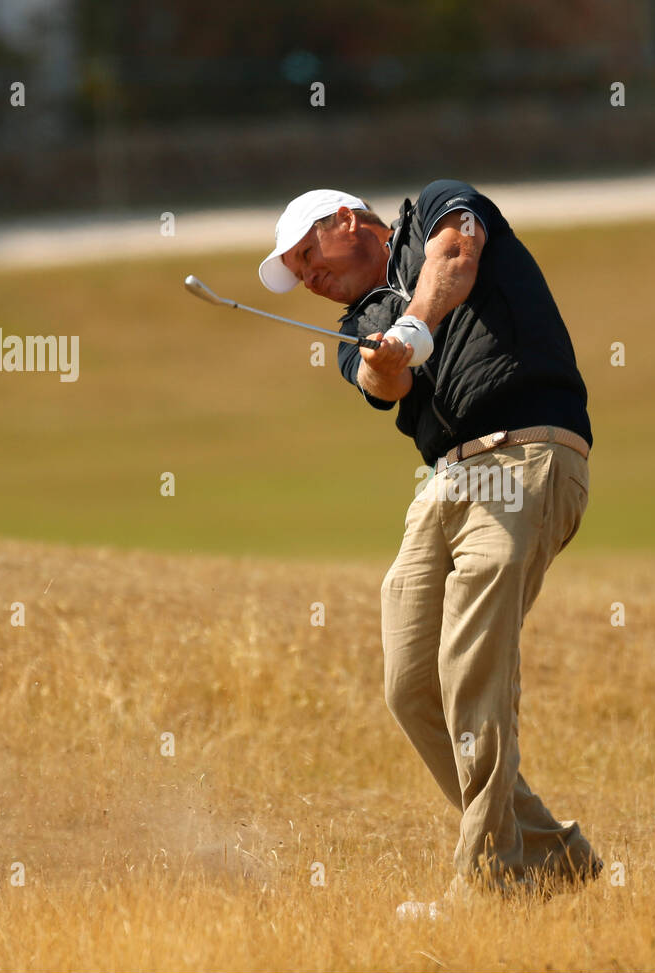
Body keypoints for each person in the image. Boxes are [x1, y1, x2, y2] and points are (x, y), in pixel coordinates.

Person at [258, 181, 602, 916]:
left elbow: (458, 255)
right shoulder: (360, 324)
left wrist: (416, 321)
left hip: (525, 455)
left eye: (307, 255)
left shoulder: (436, 208)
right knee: (411, 682)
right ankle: (554, 858)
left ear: (347, 220)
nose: (308, 279)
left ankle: (489, 880)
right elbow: (383, 382)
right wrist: (387, 353)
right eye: (297, 274)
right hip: (445, 483)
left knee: (469, 667)